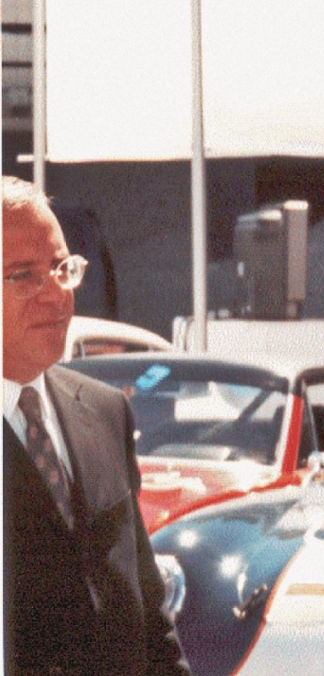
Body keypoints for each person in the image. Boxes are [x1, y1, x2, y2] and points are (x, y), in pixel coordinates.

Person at [2, 176, 190, 674]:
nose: (56, 294)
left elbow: (151, 620)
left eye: (62, 268)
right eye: (24, 276)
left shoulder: (106, 412)